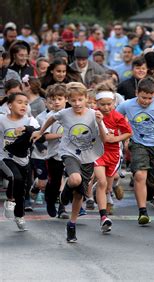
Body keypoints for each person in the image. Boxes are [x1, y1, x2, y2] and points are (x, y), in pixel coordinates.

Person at [32, 82, 108, 242]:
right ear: (68, 100)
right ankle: (64, 194)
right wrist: (41, 131)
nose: (77, 103)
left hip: (88, 156)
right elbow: (52, 117)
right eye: (73, 100)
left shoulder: (94, 114)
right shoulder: (65, 113)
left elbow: (105, 137)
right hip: (69, 153)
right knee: (75, 179)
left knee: (79, 194)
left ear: (87, 98)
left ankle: (71, 224)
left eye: (80, 99)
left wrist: (100, 122)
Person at [116, 77, 154, 225]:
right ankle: (142, 212)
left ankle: (150, 192)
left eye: (149, 98)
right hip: (138, 143)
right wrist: (124, 137)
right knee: (139, 175)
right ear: (136, 93)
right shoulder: (127, 105)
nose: (146, 101)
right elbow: (116, 120)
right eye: (143, 97)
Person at [93, 89, 132, 232]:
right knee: (101, 182)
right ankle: (103, 217)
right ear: (96, 103)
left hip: (113, 154)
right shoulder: (93, 114)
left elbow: (129, 132)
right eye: (102, 104)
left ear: (114, 103)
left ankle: (112, 188)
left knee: (107, 187)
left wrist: (115, 139)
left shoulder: (117, 117)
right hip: (97, 152)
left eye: (109, 104)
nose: (106, 107)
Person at [1, 92, 40, 231]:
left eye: (26, 103)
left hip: (24, 160)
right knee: (14, 177)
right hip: (5, 157)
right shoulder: (1, 119)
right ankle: (9, 200)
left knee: (21, 191)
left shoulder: (30, 120)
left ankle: (19, 216)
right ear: (10, 105)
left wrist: (25, 128)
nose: (23, 105)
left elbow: (38, 131)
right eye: (19, 102)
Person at [42, 84, 69, 219]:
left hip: (69, 155)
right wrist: (61, 136)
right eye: (53, 99)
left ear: (66, 99)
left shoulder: (71, 114)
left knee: (67, 180)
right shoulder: (50, 117)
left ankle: (62, 208)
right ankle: (50, 200)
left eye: (60, 98)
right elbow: (45, 136)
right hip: (53, 155)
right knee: (55, 182)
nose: (56, 102)